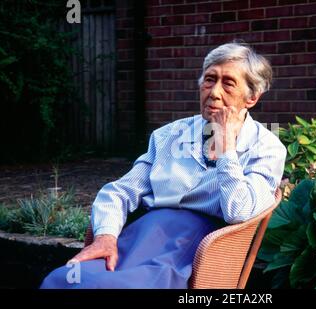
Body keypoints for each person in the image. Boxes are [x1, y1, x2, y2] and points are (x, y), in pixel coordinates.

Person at [40, 42, 287, 289]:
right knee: (61, 279)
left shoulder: (266, 148)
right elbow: (120, 191)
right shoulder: (169, 135)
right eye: (210, 79)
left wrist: (226, 147)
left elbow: (238, 212)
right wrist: (105, 237)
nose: (214, 92)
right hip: (141, 237)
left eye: (228, 83)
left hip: (195, 250)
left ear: (252, 97)